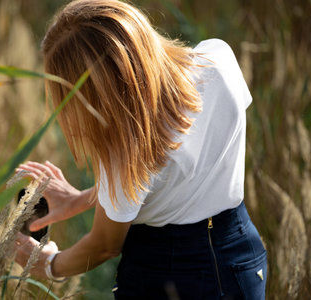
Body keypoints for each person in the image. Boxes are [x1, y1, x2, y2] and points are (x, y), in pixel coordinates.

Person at [14, 0, 267, 299]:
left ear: (95, 92)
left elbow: (105, 244)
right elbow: (179, 178)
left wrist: (49, 264)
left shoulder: (128, 150)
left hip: (166, 271)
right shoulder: (219, 61)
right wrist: (83, 199)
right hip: (240, 257)